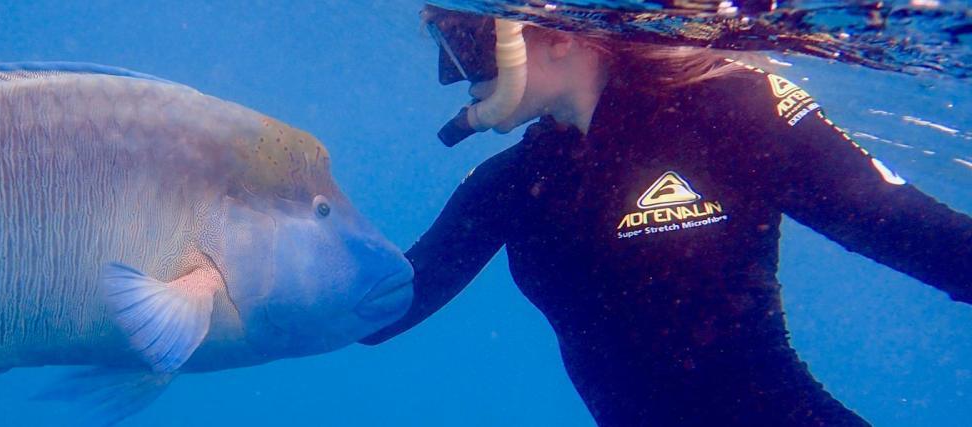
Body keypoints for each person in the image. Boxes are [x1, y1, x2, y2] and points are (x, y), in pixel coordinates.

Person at [362, 5, 972, 426]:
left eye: (464, 42)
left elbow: (931, 243)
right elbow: (377, 310)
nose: (453, 77)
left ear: (555, 33)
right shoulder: (518, 182)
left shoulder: (734, 109)